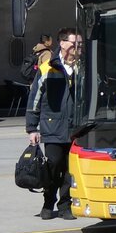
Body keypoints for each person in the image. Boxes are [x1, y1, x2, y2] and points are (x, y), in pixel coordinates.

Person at [25, 27, 81, 220]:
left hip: (76, 129)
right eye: (74, 43)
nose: (77, 47)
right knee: (53, 165)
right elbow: (35, 99)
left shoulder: (83, 69)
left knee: (70, 170)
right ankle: (48, 202)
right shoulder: (48, 67)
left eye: (80, 44)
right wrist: (32, 128)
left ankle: (65, 205)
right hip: (53, 127)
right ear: (63, 43)